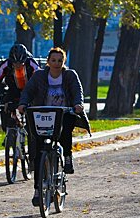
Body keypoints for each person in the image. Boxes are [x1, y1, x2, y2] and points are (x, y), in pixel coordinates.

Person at [17, 47, 90, 207]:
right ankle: (37, 190)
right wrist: (23, 103)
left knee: (66, 129)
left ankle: (68, 157)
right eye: (53, 60)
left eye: (60, 60)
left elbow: (77, 91)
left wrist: (78, 104)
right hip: (43, 115)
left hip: (63, 113)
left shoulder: (70, 75)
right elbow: (28, 91)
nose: (56, 63)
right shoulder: (39, 76)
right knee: (38, 148)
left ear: (64, 62)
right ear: (48, 61)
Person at [0, 44, 39, 147]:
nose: (18, 65)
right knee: (6, 108)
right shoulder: (6, 65)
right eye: (15, 63)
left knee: (31, 117)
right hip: (13, 90)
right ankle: (9, 132)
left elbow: (40, 78)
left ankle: (32, 137)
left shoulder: (31, 64)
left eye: (21, 63)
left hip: (29, 91)